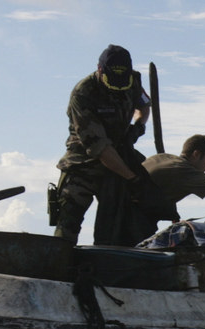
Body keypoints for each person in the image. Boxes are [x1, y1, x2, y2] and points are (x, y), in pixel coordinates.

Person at [50, 44, 152, 245]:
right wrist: (132, 179)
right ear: (99, 70)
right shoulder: (83, 94)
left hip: (117, 165)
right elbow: (101, 150)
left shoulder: (132, 80)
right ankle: (59, 267)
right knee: (68, 225)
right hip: (83, 165)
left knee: (117, 230)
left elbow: (145, 105)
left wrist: (138, 127)